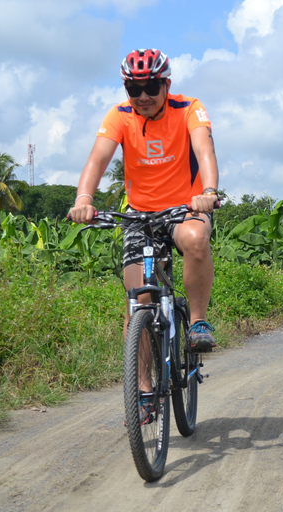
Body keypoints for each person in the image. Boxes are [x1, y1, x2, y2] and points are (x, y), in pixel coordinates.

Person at [69, 48, 220, 353]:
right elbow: (97, 160)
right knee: (138, 302)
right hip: (139, 214)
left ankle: (198, 321)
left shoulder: (189, 108)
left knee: (194, 239)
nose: (143, 97)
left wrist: (209, 192)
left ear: (167, 84)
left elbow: (205, 150)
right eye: (134, 89)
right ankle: (144, 394)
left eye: (151, 87)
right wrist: (83, 199)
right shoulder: (120, 115)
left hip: (185, 208)